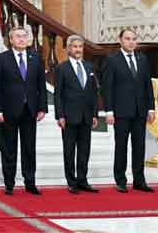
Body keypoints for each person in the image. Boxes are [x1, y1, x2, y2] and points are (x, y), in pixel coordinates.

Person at [0, 26, 47, 195]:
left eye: (24, 36)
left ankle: (30, 181)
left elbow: (41, 86)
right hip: (8, 111)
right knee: (9, 148)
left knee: (29, 148)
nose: (22, 39)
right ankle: (9, 183)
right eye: (18, 36)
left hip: (30, 110)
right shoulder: (2, 59)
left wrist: (42, 108)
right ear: (11, 40)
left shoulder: (36, 58)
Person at [101, 28, 155, 193]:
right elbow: (107, 87)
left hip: (140, 112)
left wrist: (151, 108)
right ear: (120, 40)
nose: (131, 42)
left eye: (133, 39)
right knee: (121, 147)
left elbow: (147, 85)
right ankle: (121, 180)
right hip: (121, 112)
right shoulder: (112, 60)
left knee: (139, 147)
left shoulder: (142, 58)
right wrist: (109, 111)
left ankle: (139, 180)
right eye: (128, 39)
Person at [53, 35, 99, 194]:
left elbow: (93, 92)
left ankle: (82, 180)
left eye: (80, 47)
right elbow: (58, 94)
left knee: (85, 150)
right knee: (69, 150)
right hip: (69, 116)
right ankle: (71, 181)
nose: (78, 49)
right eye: (75, 47)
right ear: (68, 49)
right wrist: (60, 116)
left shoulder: (89, 67)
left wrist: (94, 114)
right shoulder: (61, 68)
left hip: (86, 116)